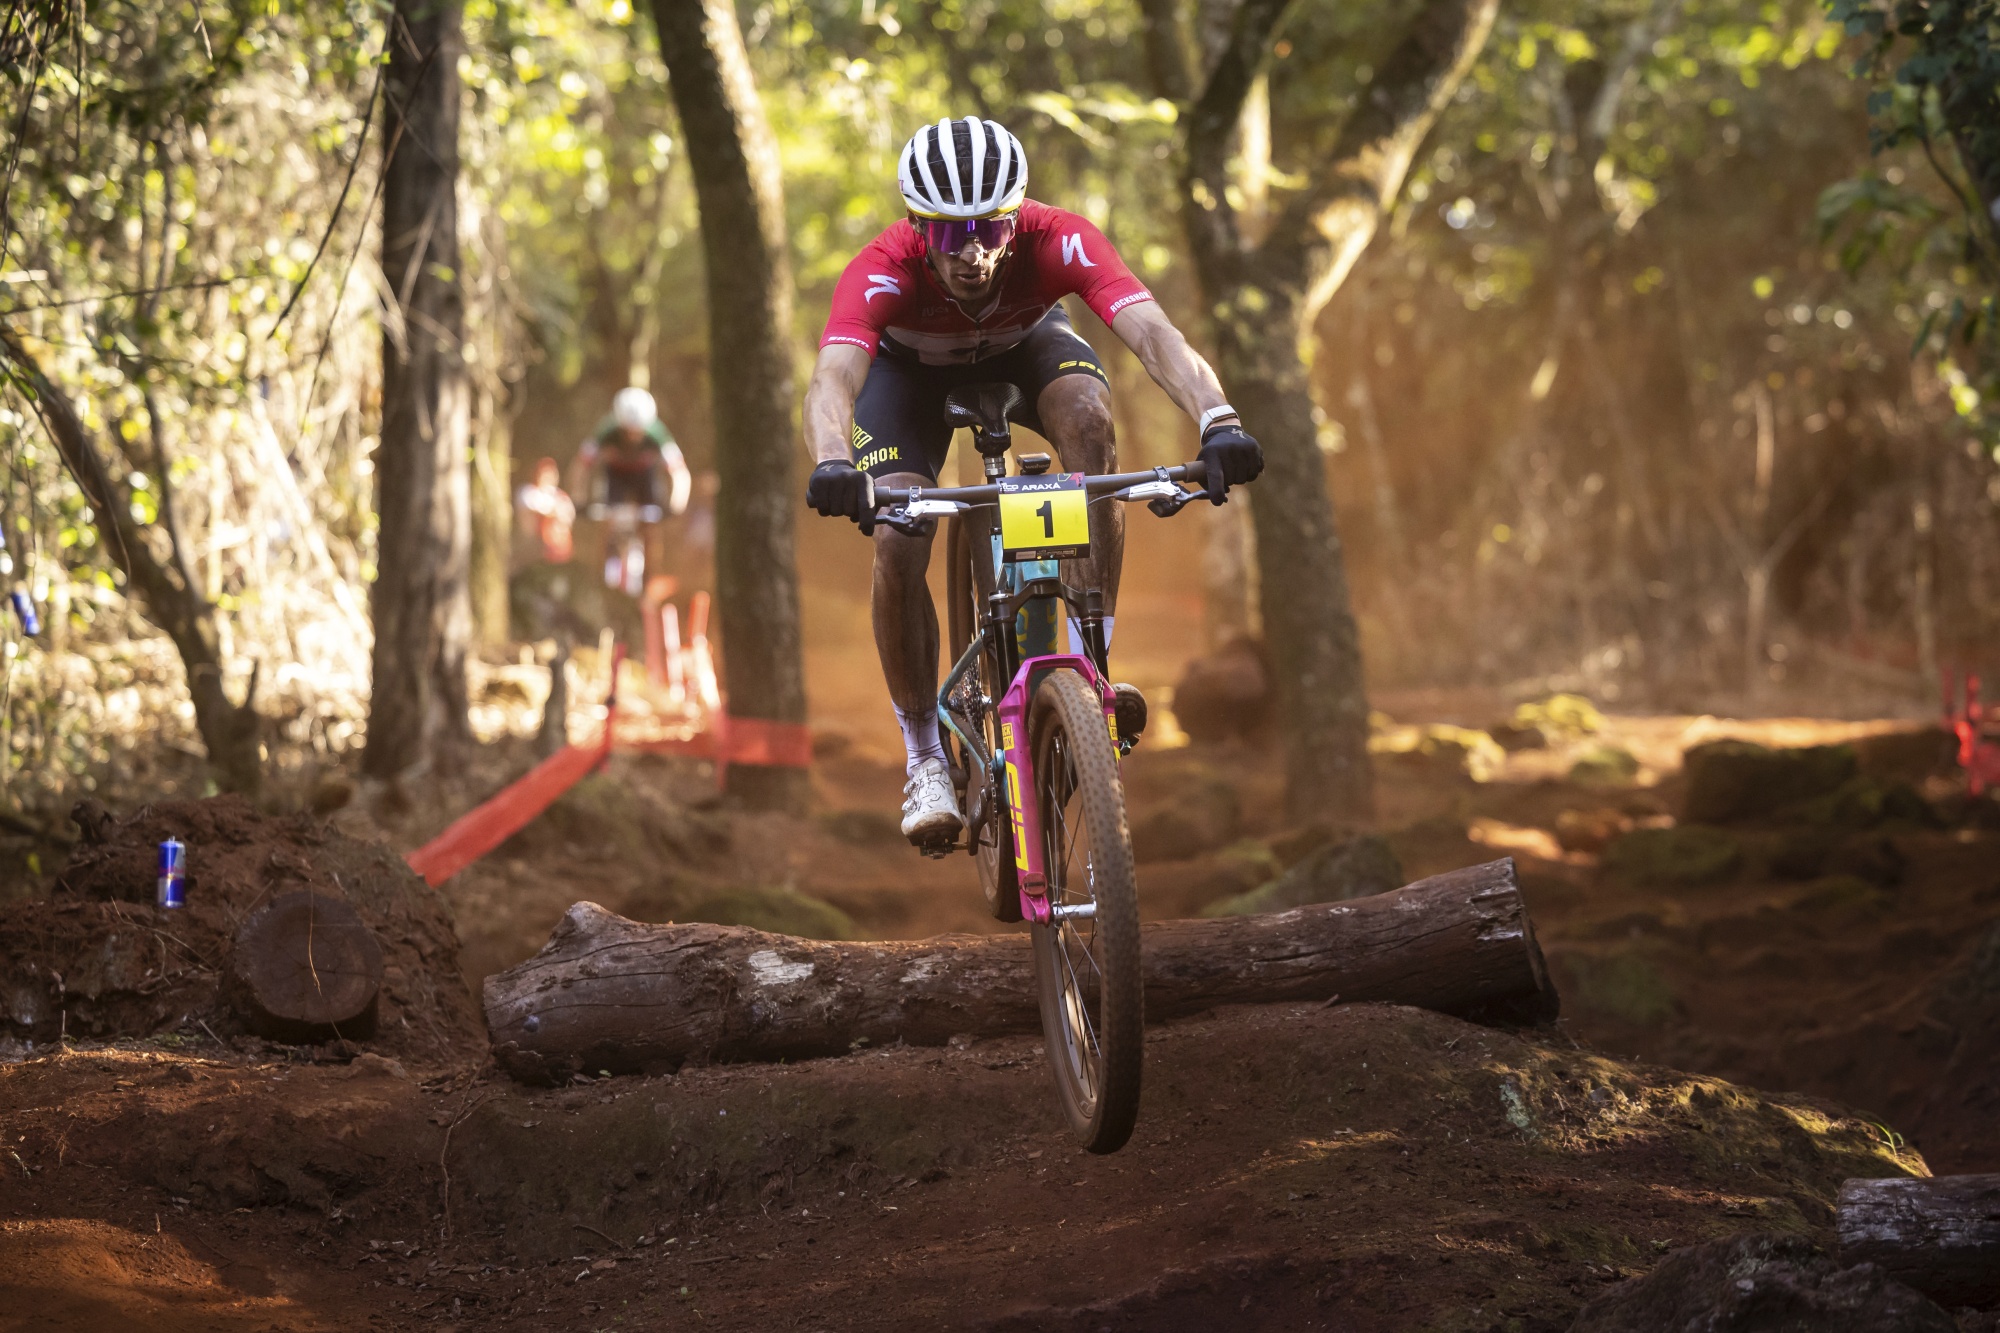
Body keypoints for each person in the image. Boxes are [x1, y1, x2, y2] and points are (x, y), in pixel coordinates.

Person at [801, 116, 1263, 845]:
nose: (974, 252)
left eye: (991, 228)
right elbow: (832, 379)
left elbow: (1153, 334)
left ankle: (1088, 661)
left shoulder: (1060, 238)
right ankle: (925, 752)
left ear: (1018, 218)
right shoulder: (882, 266)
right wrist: (832, 459)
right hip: (906, 378)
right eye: (951, 234)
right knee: (897, 536)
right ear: (919, 228)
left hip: (1023, 347)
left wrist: (1219, 419)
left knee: (1091, 425)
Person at [568, 386, 693, 591]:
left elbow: (679, 472)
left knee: (650, 528)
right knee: (607, 522)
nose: (634, 435)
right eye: (628, 431)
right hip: (615, 476)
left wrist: (677, 503)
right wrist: (577, 496)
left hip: (645, 478)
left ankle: (649, 580)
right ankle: (601, 578)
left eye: (639, 430)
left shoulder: (657, 433)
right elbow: (582, 465)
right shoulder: (606, 430)